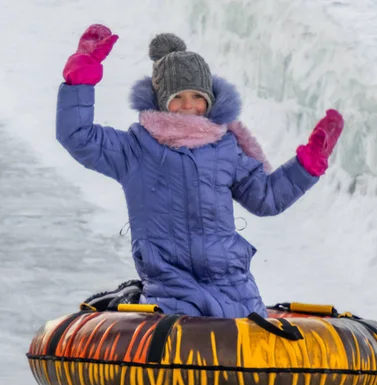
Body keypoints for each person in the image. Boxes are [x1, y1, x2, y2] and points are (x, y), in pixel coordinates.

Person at [57, 25, 344, 318]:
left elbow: (266, 198)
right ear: (161, 101)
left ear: (209, 100)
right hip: (171, 290)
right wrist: (82, 74)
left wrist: (308, 163)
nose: (188, 105)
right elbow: (78, 135)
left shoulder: (225, 149)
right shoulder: (136, 149)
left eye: (197, 96)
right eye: (177, 97)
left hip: (234, 287)